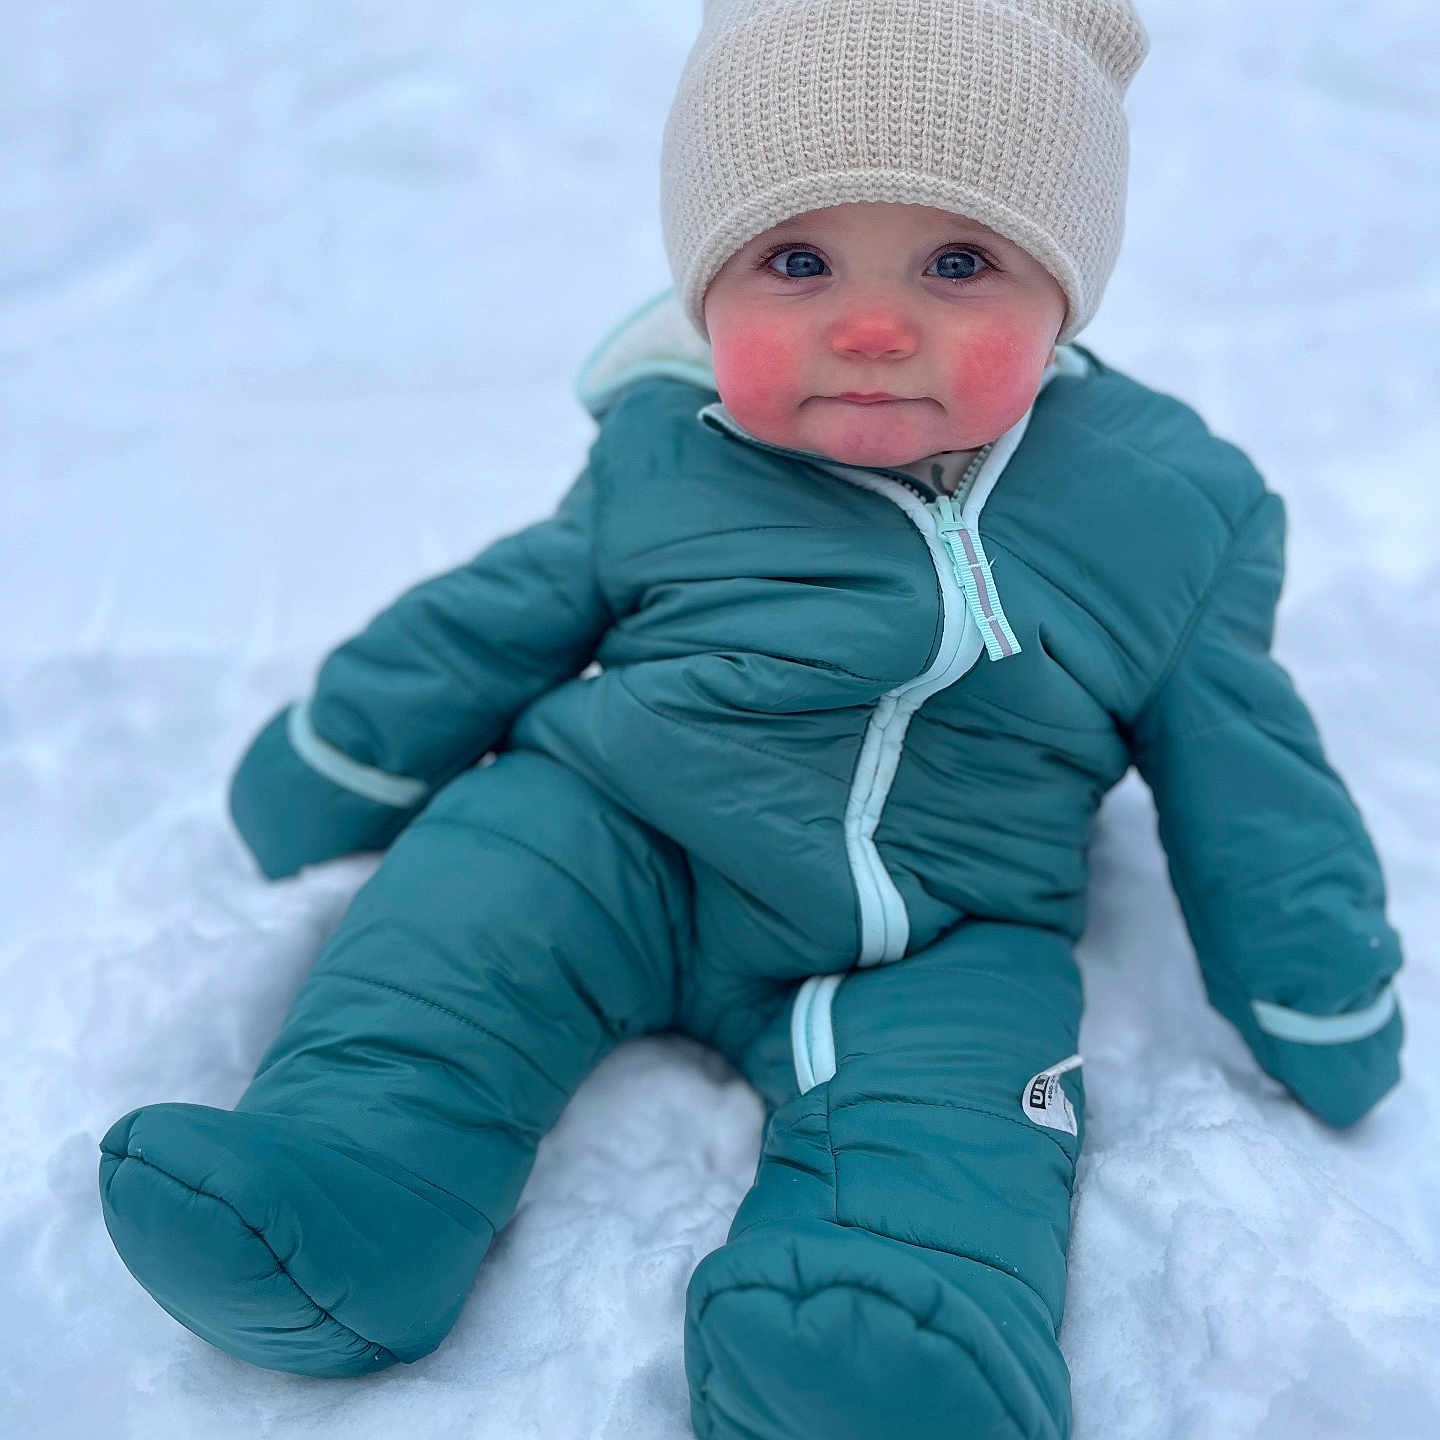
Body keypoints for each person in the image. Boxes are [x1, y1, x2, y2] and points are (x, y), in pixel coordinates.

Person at [96, 2, 1405, 1435]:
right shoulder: (665, 447)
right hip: (619, 834)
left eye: (960, 260)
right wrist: (334, 756)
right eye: (797, 259)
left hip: (938, 921)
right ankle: (345, 1190)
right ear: (706, 287)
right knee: (459, 929)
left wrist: (1317, 979)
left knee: (957, 1117)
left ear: (1067, 287)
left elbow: (1249, 770)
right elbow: (493, 614)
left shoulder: (1165, 507)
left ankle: (886, 1330)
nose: (873, 321)